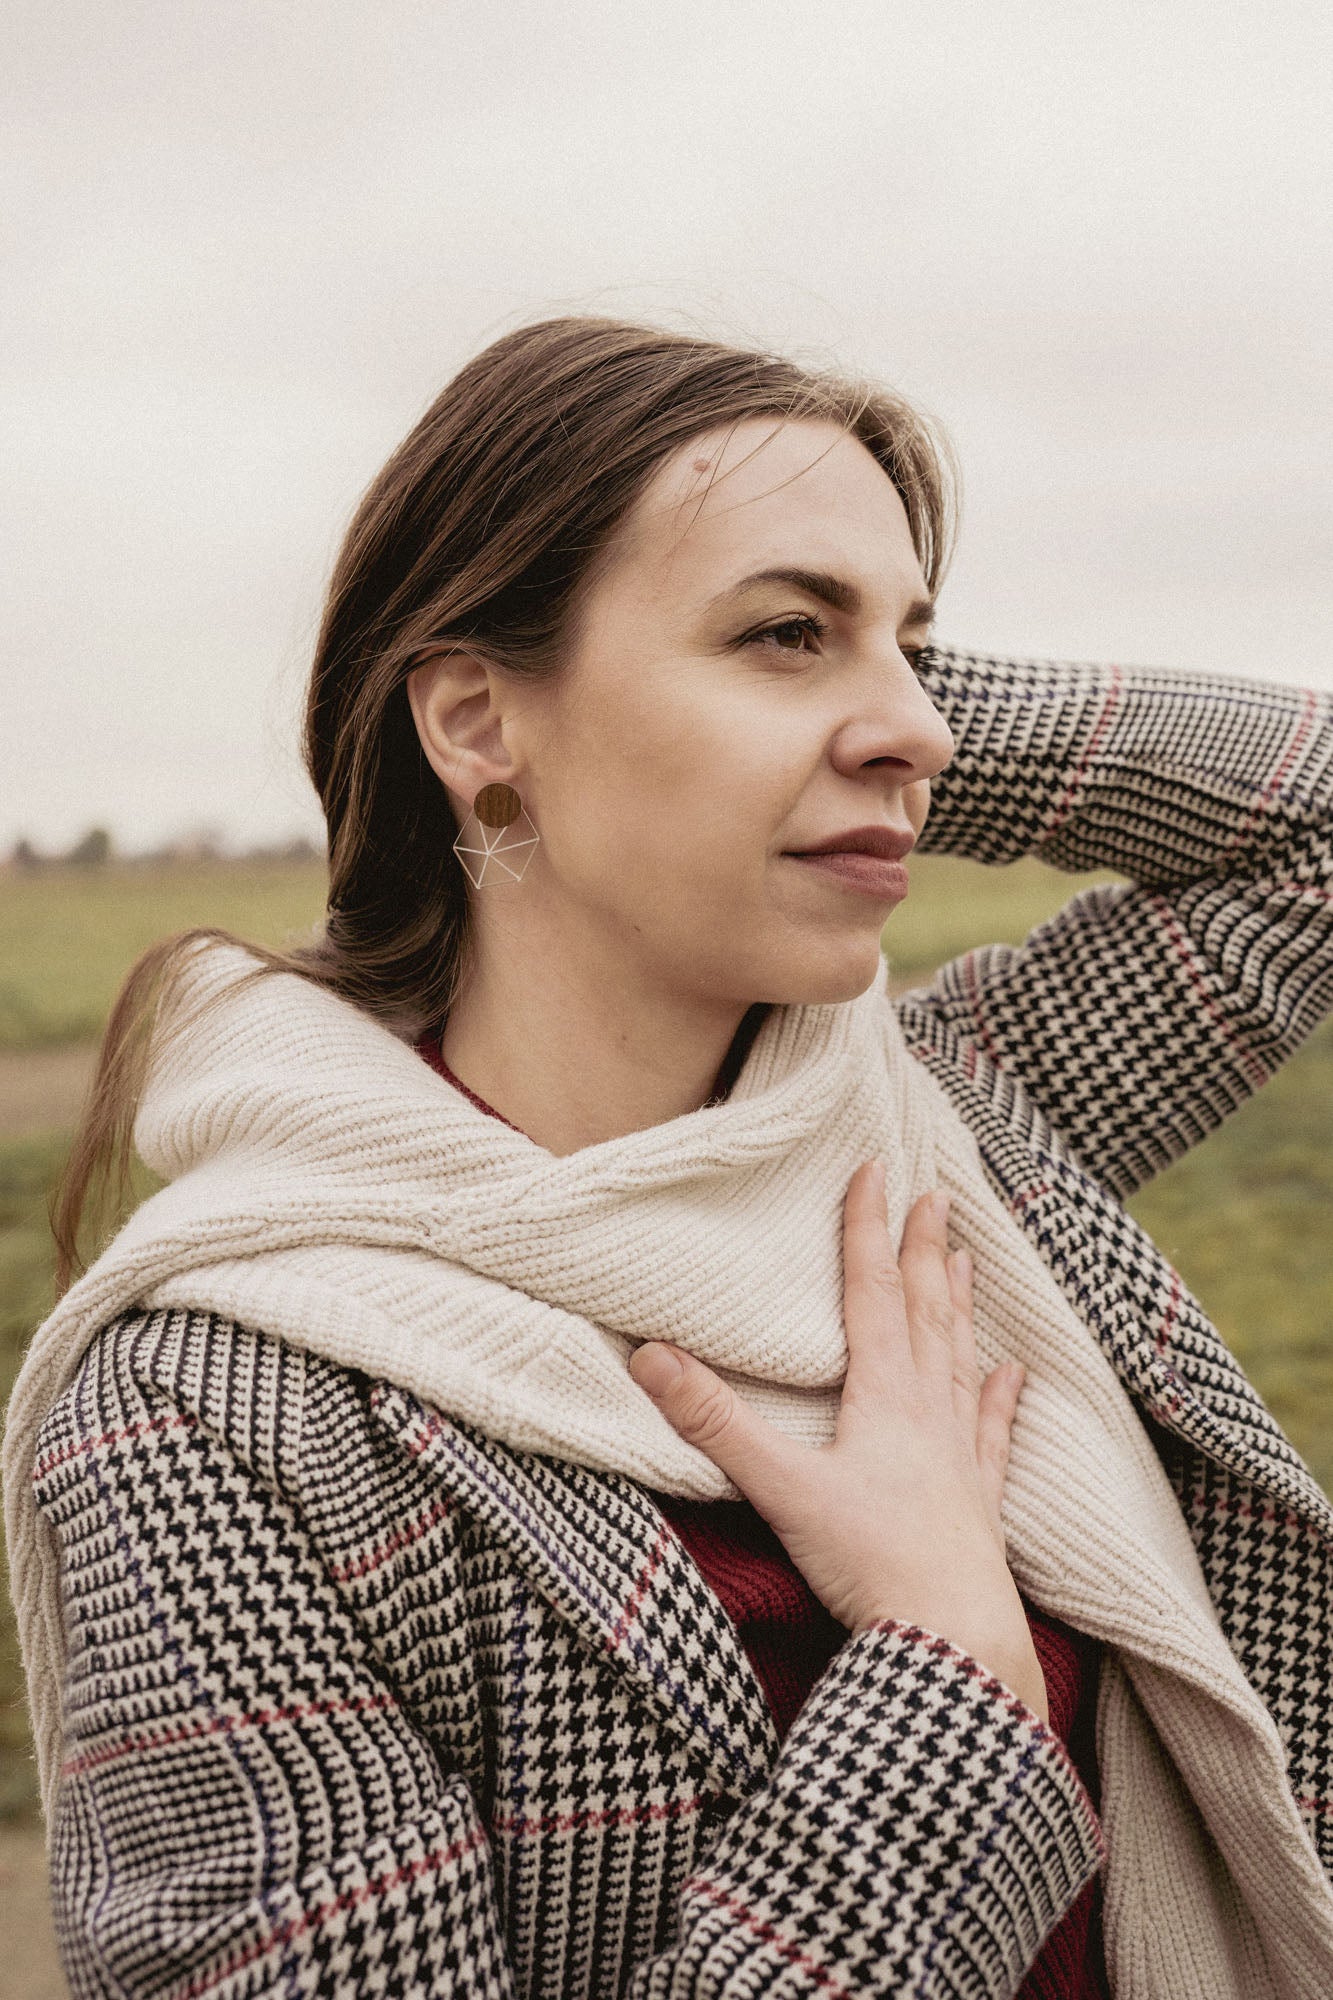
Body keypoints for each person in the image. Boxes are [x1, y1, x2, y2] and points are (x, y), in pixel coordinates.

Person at [4, 316, 1332, 2000]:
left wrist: (855, 698)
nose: (913, 729)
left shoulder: (946, 1127)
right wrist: (944, 1674)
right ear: (475, 719)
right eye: (784, 631)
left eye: (913, 652)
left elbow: (1311, 821)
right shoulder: (214, 1418)